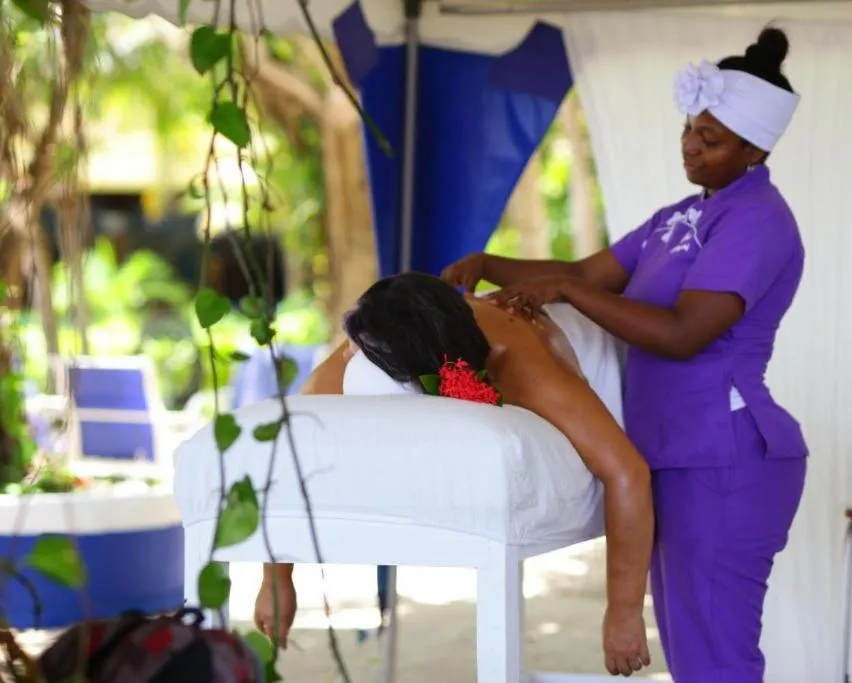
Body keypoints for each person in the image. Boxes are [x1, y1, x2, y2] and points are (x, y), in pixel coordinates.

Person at [441, 26, 807, 683]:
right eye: (690, 128)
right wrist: (492, 262)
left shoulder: (757, 219)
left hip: (724, 455)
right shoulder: (681, 216)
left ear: (755, 149)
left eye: (712, 138)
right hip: (677, 450)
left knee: (715, 659)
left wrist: (569, 292)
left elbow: (682, 331)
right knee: (696, 655)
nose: (692, 145)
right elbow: (588, 268)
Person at [254, 272, 655, 677]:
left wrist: (623, 612)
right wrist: (276, 579)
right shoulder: (355, 356)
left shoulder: (515, 358)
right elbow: (291, 447)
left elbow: (627, 472)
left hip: (599, 358)